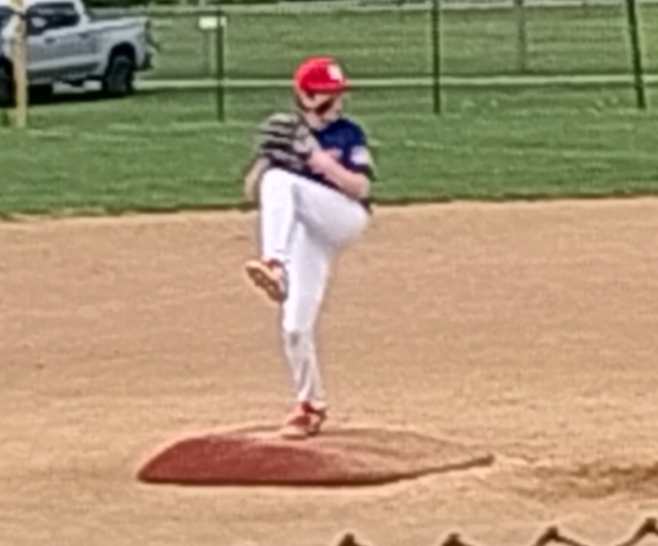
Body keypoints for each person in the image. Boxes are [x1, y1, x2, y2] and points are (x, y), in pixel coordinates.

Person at [241, 56, 376, 440]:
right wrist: (267, 159)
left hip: (344, 216)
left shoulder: (348, 133)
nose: (337, 101)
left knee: (282, 182)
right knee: (294, 328)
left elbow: (360, 187)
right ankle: (309, 405)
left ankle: (274, 263)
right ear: (304, 95)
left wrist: (313, 157)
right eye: (328, 93)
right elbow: (252, 193)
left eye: (339, 93)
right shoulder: (288, 136)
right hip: (307, 232)